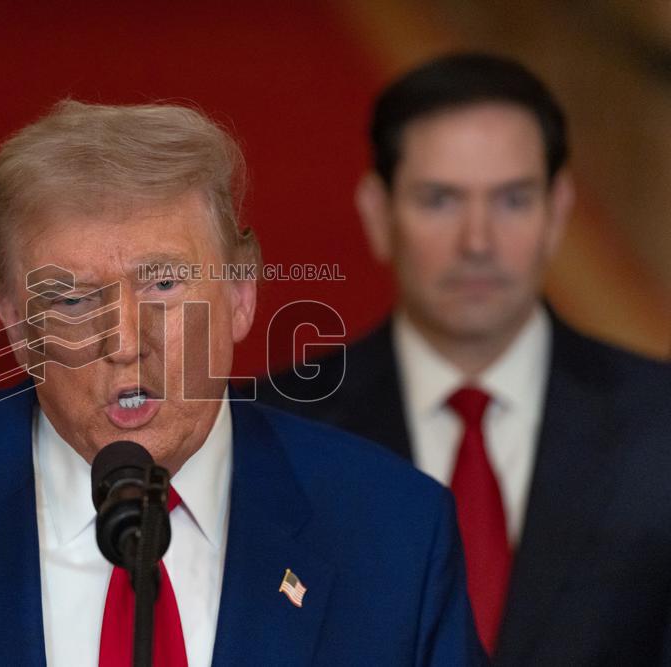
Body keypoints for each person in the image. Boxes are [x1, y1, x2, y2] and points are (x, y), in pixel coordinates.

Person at [0, 100, 486, 665]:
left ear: (242, 293)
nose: (126, 342)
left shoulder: (396, 534)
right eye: (73, 297)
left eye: (162, 283)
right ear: (18, 325)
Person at [257, 53, 671, 665]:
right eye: (440, 200)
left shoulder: (658, 423)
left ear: (557, 213)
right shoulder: (281, 430)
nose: (478, 242)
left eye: (511, 200)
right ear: (379, 214)